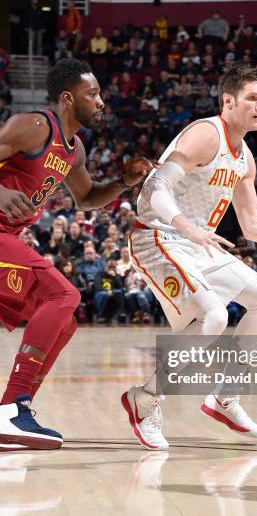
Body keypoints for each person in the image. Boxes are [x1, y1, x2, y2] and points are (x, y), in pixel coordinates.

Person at [121, 63, 257, 451]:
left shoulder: (245, 159)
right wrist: (187, 226)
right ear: (228, 101)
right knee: (215, 316)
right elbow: (155, 186)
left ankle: (223, 397)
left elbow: (252, 226)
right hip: (158, 237)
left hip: (198, 244)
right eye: (252, 98)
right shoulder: (206, 134)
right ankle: (144, 398)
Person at [0, 58, 152, 451]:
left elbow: (86, 199)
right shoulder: (33, 126)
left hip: (7, 237)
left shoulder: (75, 149)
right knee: (65, 295)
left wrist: (123, 181)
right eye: (93, 94)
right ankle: (11, 407)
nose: (101, 101)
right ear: (68, 99)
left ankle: (17, 409)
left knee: (64, 321)